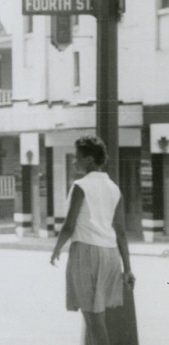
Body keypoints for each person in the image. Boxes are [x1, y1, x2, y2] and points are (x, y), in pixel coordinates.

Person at [50, 136, 135, 345]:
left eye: (77, 157)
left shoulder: (81, 185)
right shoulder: (114, 188)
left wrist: (57, 248)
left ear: (89, 160)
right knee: (98, 315)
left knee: (93, 318)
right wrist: (128, 268)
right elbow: (121, 231)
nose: (74, 161)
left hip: (86, 252)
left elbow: (69, 225)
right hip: (111, 254)